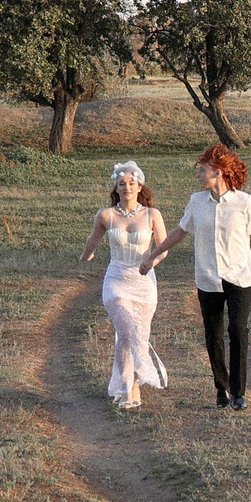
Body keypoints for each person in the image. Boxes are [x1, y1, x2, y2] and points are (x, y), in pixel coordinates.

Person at [141, 144, 251, 410]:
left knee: (238, 330)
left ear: (218, 172)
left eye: (202, 170)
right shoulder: (197, 202)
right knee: (213, 335)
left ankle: (238, 394)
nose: (198, 175)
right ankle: (222, 387)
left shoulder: (246, 203)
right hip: (208, 277)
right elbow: (180, 232)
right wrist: (153, 255)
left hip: (240, 276)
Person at [78, 159, 168, 411]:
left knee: (139, 333)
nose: (126, 187)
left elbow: (163, 248)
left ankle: (133, 384)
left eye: (131, 183)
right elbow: (93, 240)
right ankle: (127, 387)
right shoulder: (106, 215)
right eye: (121, 184)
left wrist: (151, 262)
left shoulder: (152, 215)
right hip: (116, 281)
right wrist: (86, 255)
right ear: (116, 188)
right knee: (127, 331)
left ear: (139, 187)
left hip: (144, 282)